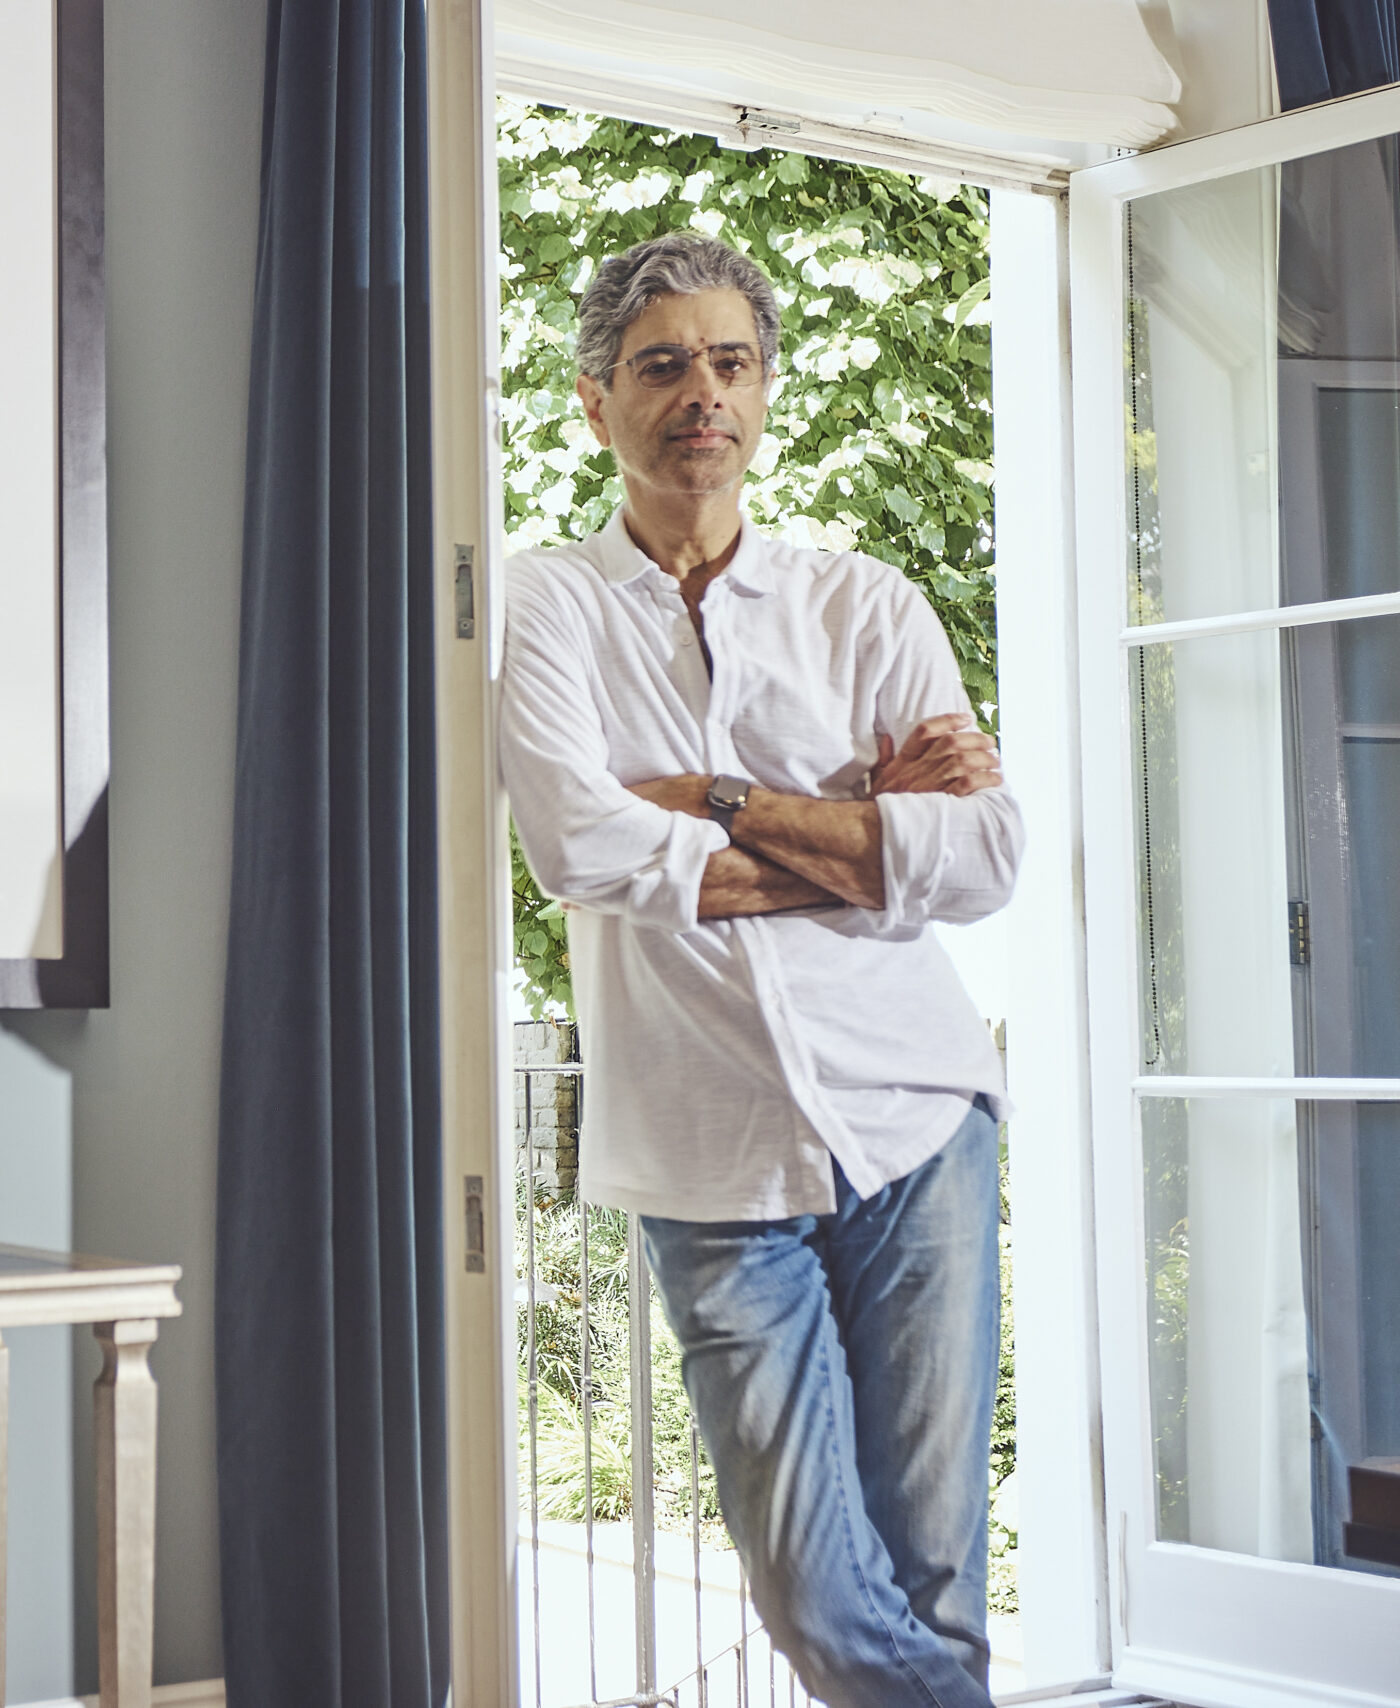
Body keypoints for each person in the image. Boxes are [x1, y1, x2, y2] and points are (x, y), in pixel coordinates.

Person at [496, 231, 1021, 1708]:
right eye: (662, 365)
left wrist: (713, 799)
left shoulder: (869, 606)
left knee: (932, 1576)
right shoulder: (550, 606)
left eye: (730, 362)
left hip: (919, 1122)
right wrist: (863, 834)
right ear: (599, 401)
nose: (701, 394)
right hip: (710, 1164)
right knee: (808, 1588)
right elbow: (578, 850)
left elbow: (981, 863)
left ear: (765, 392)